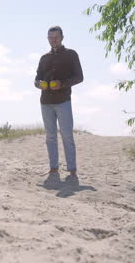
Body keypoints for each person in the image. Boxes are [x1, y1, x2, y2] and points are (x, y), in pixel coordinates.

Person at [34, 26, 83, 182]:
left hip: (63, 101)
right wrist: (39, 84)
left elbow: (79, 77)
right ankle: (53, 168)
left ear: (62, 37)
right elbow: (36, 80)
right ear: (47, 38)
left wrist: (62, 84)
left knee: (67, 135)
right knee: (50, 137)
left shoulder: (71, 54)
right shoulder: (43, 58)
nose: (53, 39)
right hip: (45, 102)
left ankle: (72, 171)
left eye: (56, 37)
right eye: (50, 37)